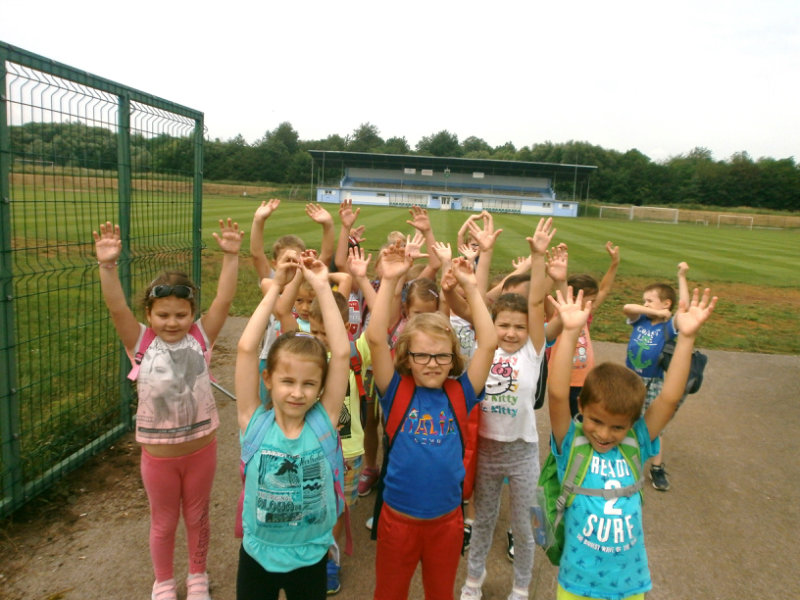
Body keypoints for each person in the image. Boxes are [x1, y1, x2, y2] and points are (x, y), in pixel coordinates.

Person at [93, 218, 243, 600]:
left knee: (198, 516)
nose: (172, 322)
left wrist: (230, 257)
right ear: (149, 314)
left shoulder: (201, 337)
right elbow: (116, 308)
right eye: (163, 315)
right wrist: (107, 266)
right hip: (158, 458)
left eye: (181, 314)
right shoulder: (140, 342)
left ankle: (197, 577)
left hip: (201, 451)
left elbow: (224, 301)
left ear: (192, 314)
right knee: (163, 522)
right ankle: (162, 582)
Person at [548, 284, 716, 600]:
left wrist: (686, 338)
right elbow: (557, 395)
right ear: (581, 407)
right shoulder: (572, 442)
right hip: (576, 583)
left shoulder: (635, 442)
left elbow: (669, 398)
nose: (604, 434)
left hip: (629, 584)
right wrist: (570, 332)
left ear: (632, 423)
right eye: (596, 421)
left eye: (617, 427)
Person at [366, 242, 497, 600]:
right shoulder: (396, 390)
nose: (432, 363)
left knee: (440, 593)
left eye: (441, 356)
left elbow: (488, 343)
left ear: (453, 357)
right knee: (389, 594)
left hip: (446, 523)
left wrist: (471, 287)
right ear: (406, 356)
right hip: (398, 521)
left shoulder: (460, 393)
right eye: (422, 355)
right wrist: (390, 281)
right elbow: (376, 338)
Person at [234, 251, 350, 600]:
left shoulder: (324, 422)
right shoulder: (253, 421)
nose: (298, 393)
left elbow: (341, 353)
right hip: (257, 555)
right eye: (287, 381)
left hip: (311, 556)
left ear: (321, 386)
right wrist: (276, 288)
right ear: (268, 379)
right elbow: (245, 349)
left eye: (309, 384)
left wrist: (322, 287)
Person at [460, 217, 554, 600]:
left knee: (525, 524)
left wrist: (538, 257)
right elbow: (478, 299)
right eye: (503, 325)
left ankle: (521, 587)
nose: (511, 332)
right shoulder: (484, 349)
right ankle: (473, 581)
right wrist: (483, 255)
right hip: (486, 449)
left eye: (519, 326)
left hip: (522, 451)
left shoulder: (533, 352)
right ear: (491, 325)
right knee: (482, 521)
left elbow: (536, 302)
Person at [622, 262, 689, 491]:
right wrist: (654, 311)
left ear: (666, 303)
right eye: (645, 301)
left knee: (655, 426)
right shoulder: (641, 319)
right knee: (626, 418)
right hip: (630, 378)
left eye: (650, 300)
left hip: (653, 382)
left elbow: (684, 308)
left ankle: (657, 467)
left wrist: (681, 276)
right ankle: (624, 459)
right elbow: (627, 307)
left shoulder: (668, 327)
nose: (645, 304)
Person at [551, 241, 620, 418]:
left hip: (584, 380)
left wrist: (614, 264)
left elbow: (605, 289)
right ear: (574, 297)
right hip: (562, 380)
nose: (594, 304)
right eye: (591, 299)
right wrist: (558, 277)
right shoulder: (559, 313)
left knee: (581, 420)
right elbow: (561, 291)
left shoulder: (586, 314)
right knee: (562, 423)